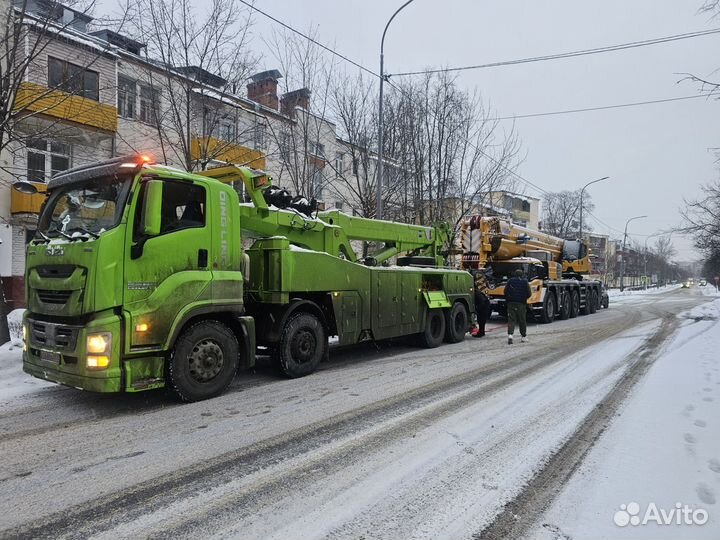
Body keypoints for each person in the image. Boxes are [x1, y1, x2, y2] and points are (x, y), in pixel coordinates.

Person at [504, 268, 531, 344]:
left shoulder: (510, 281)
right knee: (522, 320)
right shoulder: (525, 282)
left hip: (511, 303)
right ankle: (523, 337)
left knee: (511, 320)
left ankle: (510, 335)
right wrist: (524, 298)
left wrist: (509, 298)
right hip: (521, 303)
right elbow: (529, 293)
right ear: (522, 274)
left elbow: (505, 291)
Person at [473, 273, 491, 338]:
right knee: (482, 321)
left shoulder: (477, 293)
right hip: (486, 305)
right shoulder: (482, 290)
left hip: (483, 307)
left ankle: (480, 333)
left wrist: (477, 309)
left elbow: (481, 302)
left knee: (481, 321)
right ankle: (482, 332)